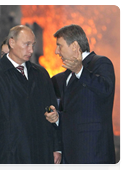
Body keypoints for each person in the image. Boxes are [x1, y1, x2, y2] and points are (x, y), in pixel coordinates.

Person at [0, 25, 61, 170]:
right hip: (9, 153)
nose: (31, 50)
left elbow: (51, 109)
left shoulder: (41, 74)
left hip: (40, 152)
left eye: (33, 45)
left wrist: (56, 147)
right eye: (26, 44)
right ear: (12, 42)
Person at [45, 24, 116, 170]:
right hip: (70, 155)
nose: (56, 51)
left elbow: (105, 90)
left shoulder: (101, 63)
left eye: (59, 45)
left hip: (92, 153)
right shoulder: (65, 75)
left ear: (75, 46)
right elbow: (74, 111)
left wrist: (80, 70)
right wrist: (58, 118)